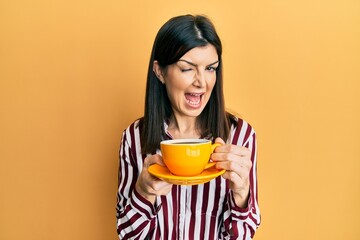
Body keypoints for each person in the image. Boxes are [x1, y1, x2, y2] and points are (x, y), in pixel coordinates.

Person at [116, 14, 260, 239]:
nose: (201, 82)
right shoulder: (134, 138)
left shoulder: (241, 136)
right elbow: (128, 234)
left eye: (210, 68)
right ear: (160, 71)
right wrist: (143, 192)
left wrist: (241, 192)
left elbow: (240, 236)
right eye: (187, 69)